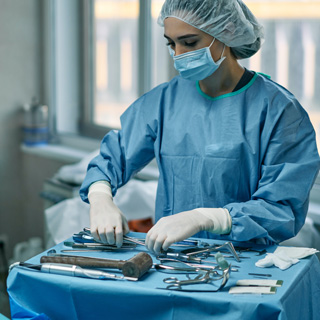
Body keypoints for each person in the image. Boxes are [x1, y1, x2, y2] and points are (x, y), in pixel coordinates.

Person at [80, 0, 320, 255]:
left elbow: (282, 208)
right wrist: (100, 197)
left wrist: (208, 218)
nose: (179, 54)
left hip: (244, 263)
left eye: (190, 42)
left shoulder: (278, 110)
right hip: (172, 257)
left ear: (227, 31)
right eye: (171, 44)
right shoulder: (165, 101)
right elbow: (114, 157)